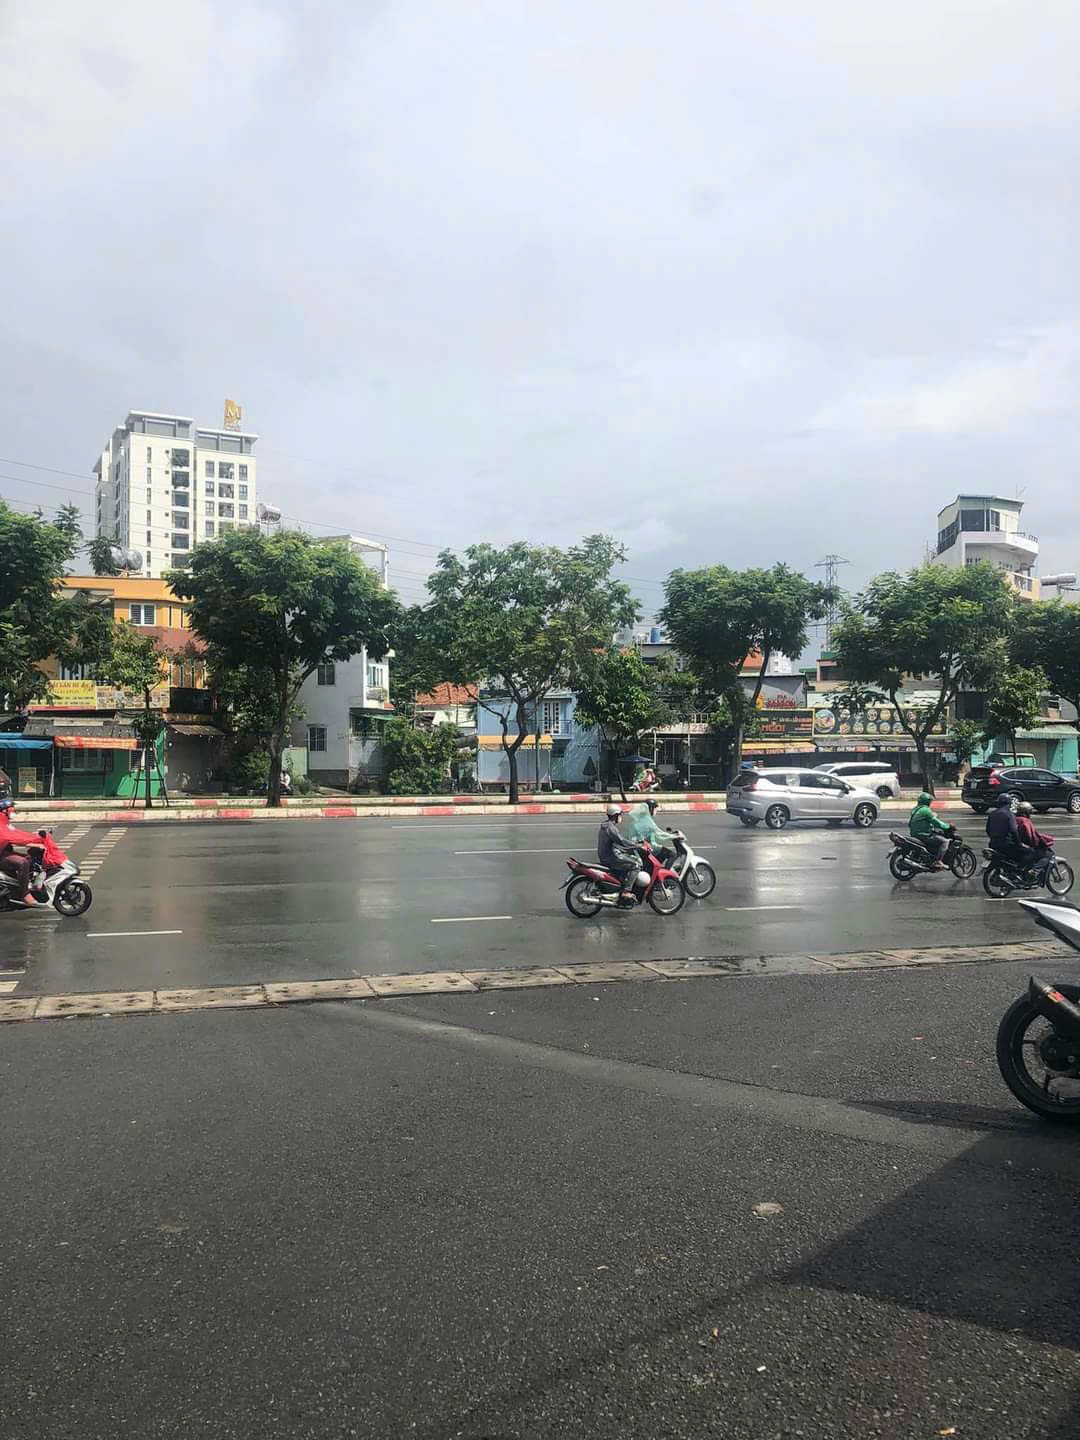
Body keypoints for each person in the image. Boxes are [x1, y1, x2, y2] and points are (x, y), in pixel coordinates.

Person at [597, 803, 643, 905]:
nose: (621, 817)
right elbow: (621, 841)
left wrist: (630, 847)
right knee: (635, 865)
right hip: (610, 857)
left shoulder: (607, 825)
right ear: (615, 815)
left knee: (628, 860)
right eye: (620, 815)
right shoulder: (610, 828)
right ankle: (626, 891)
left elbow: (617, 843)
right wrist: (637, 846)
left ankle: (620, 886)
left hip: (607, 855)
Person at [0, 797, 39, 906]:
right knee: (23, 863)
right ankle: (25, 894)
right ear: (5, 810)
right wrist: (32, 842)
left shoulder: (5, 823)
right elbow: (14, 838)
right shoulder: (1, 824)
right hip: (1, 856)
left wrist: (38, 838)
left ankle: (22, 885)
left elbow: (18, 833)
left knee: (30, 858)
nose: (14, 811)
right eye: (12, 809)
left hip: (4, 852)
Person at [986, 793, 1035, 872]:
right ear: (1009, 803)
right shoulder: (1009, 814)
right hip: (1007, 845)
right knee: (1031, 852)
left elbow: (988, 830)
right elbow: (1014, 831)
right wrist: (1019, 843)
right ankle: (1019, 870)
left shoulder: (992, 814)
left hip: (993, 844)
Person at [624, 798, 677, 868]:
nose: (656, 810)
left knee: (660, 856)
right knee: (672, 854)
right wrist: (674, 837)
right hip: (645, 847)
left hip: (639, 847)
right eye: (655, 808)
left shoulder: (641, 818)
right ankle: (666, 873)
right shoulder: (647, 820)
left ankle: (655, 870)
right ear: (651, 809)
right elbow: (659, 834)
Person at [908, 791, 950, 869]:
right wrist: (947, 826)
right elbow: (936, 822)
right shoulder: (926, 810)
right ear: (927, 802)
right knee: (945, 841)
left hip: (914, 834)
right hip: (924, 835)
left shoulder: (915, 810)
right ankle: (938, 861)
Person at [1016, 801, 1055, 879]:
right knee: (1048, 854)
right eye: (1030, 811)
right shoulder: (1025, 821)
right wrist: (1038, 843)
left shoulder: (1016, 819)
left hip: (1017, 845)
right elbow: (1031, 837)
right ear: (1026, 812)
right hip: (1024, 846)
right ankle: (1034, 871)